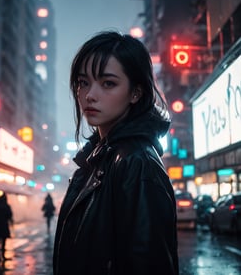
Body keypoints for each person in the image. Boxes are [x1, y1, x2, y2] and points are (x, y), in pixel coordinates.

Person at [53, 31, 179, 275]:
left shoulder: (136, 163)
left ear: (136, 92)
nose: (89, 94)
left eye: (108, 83)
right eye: (83, 82)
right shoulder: (100, 158)